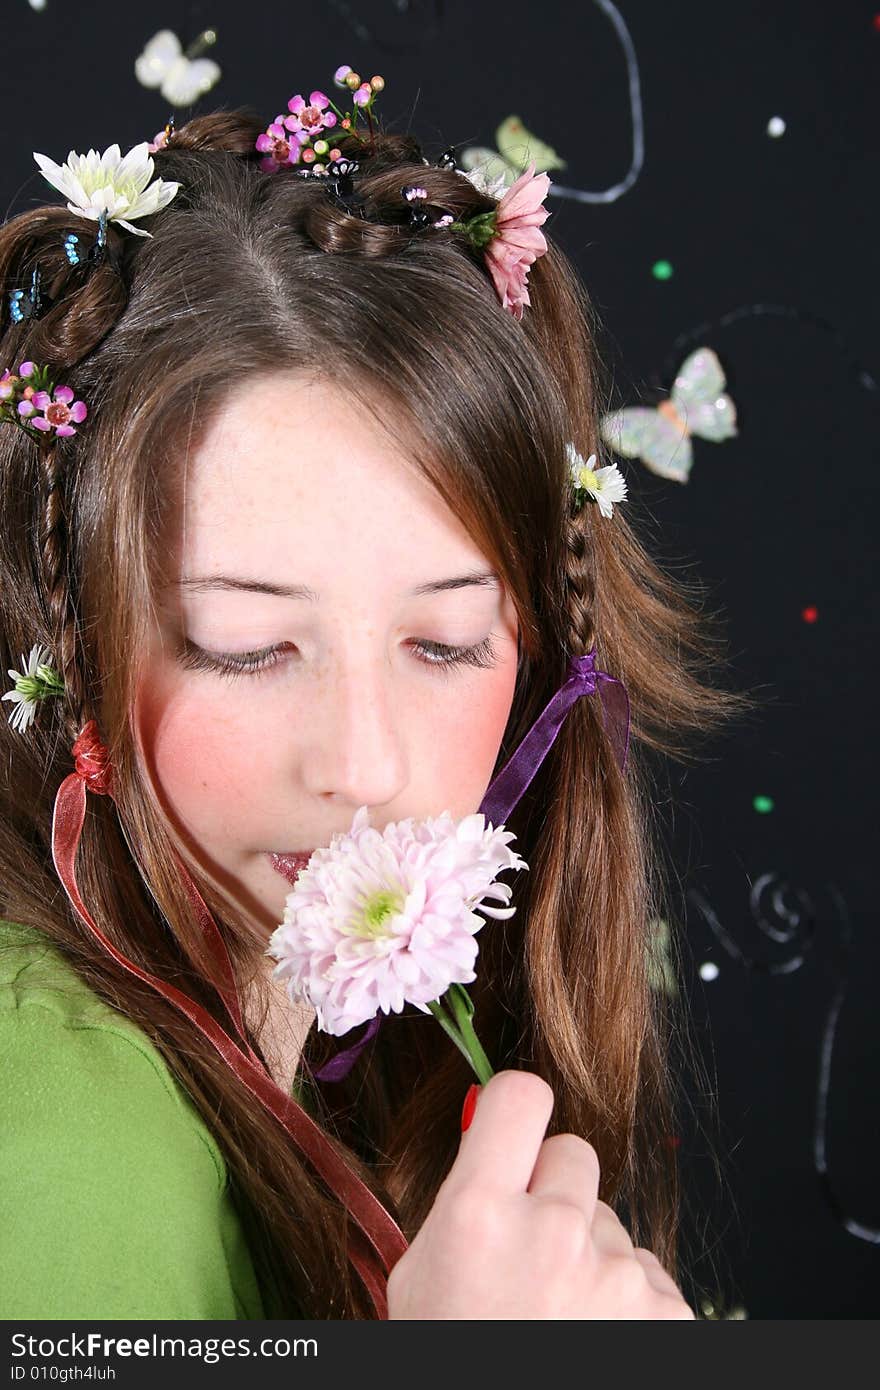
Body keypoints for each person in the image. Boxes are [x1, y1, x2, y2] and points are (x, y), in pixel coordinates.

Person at [0, 80, 753, 1320]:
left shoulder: (299, 1059)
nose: (365, 765)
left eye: (446, 642)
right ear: (71, 640)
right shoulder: (60, 1129)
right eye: (244, 646)